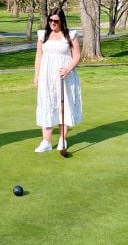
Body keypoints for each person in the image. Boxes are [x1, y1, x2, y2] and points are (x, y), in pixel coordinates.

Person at [33, 8, 82, 153]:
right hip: (46, 77)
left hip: (65, 77)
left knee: (63, 107)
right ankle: (46, 142)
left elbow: (77, 56)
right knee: (47, 105)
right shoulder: (43, 35)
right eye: (50, 20)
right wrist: (36, 75)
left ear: (61, 21)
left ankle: (62, 139)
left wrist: (68, 69)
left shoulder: (70, 35)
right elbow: (39, 56)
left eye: (56, 21)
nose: (53, 23)